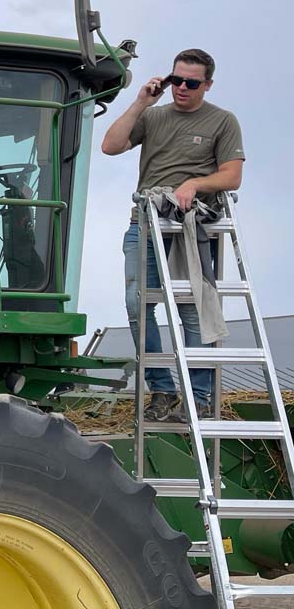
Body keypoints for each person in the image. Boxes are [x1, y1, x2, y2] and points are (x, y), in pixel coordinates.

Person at [101, 49, 245, 421]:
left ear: (207, 85)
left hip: (189, 230)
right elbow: (111, 146)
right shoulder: (153, 117)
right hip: (145, 224)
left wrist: (194, 183)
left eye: (191, 83)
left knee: (192, 311)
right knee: (138, 306)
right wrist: (139, 103)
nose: (181, 87)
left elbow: (231, 176)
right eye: (176, 79)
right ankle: (162, 391)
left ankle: (198, 398)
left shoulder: (223, 121)